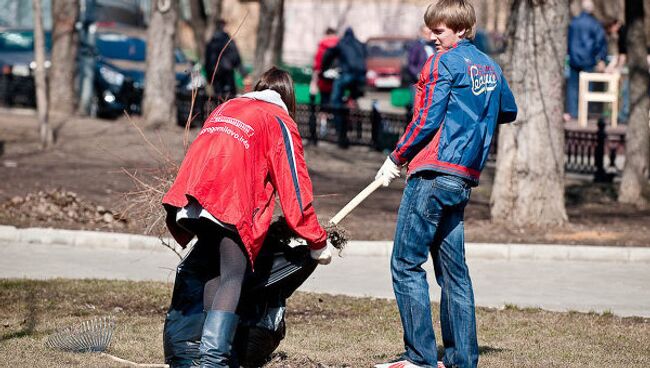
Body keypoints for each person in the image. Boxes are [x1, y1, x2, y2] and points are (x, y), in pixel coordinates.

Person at [373, 1, 517, 368]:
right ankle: (462, 360)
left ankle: (419, 357)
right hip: (463, 177)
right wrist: (473, 122)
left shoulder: (443, 62)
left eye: (439, 31)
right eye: (431, 30)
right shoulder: (490, 66)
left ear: (462, 30)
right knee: (454, 273)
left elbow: (425, 117)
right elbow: (507, 110)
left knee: (406, 264)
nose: (431, 37)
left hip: (433, 173)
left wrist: (396, 157)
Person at [161, 67, 332, 368]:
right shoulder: (279, 120)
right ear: (289, 99)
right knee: (232, 277)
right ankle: (213, 362)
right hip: (228, 202)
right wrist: (317, 241)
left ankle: (203, 355)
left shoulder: (229, 106)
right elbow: (294, 185)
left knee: (217, 273)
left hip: (192, 200)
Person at [564, 0, 608, 122]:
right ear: (591, 9)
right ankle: (585, 113)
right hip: (588, 60)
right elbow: (601, 42)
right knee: (587, 87)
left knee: (573, 87)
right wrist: (601, 58)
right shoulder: (595, 24)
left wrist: (570, 54)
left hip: (573, 59)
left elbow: (568, 40)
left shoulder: (574, 22)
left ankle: (573, 113)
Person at [322, 27, 368, 109]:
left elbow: (329, 54)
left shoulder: (342, 43)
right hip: (361, 76)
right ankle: (352, 101)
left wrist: (324, 68)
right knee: (355, 93)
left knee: (336, 94)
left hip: (348, 74)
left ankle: (337, 115)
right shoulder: (360, 44)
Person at [204, 19, 249, 101]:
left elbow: (208, 61)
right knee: (230, 98)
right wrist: (243, 73)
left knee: (218, 98)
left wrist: (209, 77)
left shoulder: (211, 42)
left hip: (216, 75)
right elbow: (236, 57)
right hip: (227, 74)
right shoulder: (228, 41)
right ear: (224, 27)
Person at [311, 27, 340, 107]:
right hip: (336, 79)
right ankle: (333, 117)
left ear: (326, 34)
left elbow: (317, 64)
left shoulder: (322, 46)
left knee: (324, 100)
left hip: (323, 78)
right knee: (335, 101)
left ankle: (323, 116)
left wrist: (315, 77)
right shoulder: (340, 45)